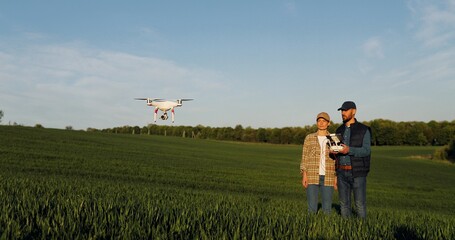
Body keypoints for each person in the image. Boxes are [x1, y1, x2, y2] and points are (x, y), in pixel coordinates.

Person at [332, 101, 372, 218]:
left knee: (359, 204)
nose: (343, 113)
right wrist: (333, 151)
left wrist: (349, 150)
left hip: (357, 173)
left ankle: (362, 232)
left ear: (353, 111)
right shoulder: (339, 130)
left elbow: (366, 151)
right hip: (341, 173)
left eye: (345, 110)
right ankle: (346, 231)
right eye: (342, 111)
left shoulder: (364, 129)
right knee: (344, 205)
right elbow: (337, 152)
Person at [300, 112, 337, 214]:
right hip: (312, 176)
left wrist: (336, 177)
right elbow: (304, 157)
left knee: (327, 209)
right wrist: (304, 175)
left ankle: (325, 228)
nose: (321, 123)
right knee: (311, 209)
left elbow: (337, 159)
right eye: (319, 121)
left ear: (328, 123)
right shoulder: (309, 138)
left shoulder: (334, 139)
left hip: (328, 176)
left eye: (324, 121)